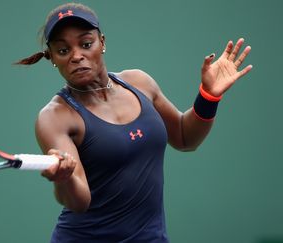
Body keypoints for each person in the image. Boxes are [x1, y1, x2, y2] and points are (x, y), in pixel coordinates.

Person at [16, 2, 252, 243]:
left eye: (86, 44)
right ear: (53, 58)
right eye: (63, 50)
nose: (77, 56)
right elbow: (80, 201)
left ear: (103, 43)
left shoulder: (140, 82)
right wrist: (63, 179)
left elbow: (184, 137)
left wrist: (208, 97)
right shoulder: (54, 116)